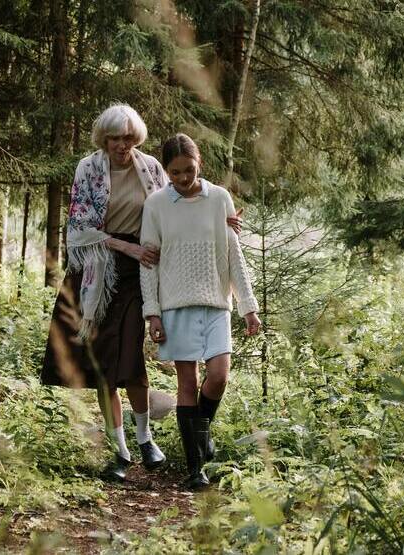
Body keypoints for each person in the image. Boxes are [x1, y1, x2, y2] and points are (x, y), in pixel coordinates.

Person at [40, 106, 240, 482]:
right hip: (98, 271)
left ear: (137, 139)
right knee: (102, 365)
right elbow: (79, 228)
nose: (122, 145)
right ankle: (121, 451)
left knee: (130, 357)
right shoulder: (88, 169)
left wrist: (220, 216)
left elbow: (183, 195)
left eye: (129, 138)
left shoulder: (150, 167)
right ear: (104, 139)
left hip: (142, 270)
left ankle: (146, 439)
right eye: (115, 138)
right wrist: (124, 247)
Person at [139, 133, 261, 490]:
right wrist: (153, 313)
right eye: (174, 172)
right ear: (166, 171)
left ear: (200, 163)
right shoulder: (157, 205)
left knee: (219, 376)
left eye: (188, 170)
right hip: (175, 306)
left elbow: (233, 256)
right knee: (187, 385)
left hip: (216, 306)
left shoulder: (219, 198)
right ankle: (195, 470)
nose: (182, 178)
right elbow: (149, 264)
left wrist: (248, 307)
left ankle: (201, 434)